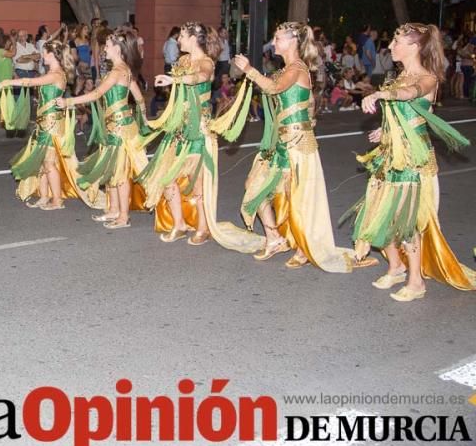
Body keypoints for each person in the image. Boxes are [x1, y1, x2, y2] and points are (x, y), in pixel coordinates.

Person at [346, 23, 475, 301]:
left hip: (414, 158)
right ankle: (396, 266)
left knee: (406, 219)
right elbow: (405, 116)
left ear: (415, 46)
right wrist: (385, 130)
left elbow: (411, 94)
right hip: (391, 153)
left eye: (396, 41)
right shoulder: (399, 75)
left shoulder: (427, 77)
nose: (391, 46)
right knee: (380, 211)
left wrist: (382, 94)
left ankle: (416, 282)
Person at [233, 22, 374, 271]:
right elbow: (301, 101)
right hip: (282, 142)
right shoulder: (287, 70)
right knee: (254, 187)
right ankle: (274, 237)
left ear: (292, 42)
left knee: (296, 197)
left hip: (297, 144)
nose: (273, 42)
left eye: (278, 38)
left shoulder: (297, 69)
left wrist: (249, 70)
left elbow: (275, 88)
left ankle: (302, 246)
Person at [135, 22, 260, 252]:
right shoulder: (182, 61)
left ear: (194, 38)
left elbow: (199, 78)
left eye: (182, 35)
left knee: (198, 185)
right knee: (166, 177)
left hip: (198, 131)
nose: (178, 40)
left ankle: (202, 227)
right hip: (179, 128)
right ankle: (179, 223)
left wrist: (175, 80)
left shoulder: (206, 63)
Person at [0, 33, 104, 211]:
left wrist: (6, 82)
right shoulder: (53, 73)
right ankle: (44, 196)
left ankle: (57, 200)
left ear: (52, 55)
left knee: (49, 163)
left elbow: (30, 82)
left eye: (45, 53)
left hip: (52, 125)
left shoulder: (56, 75)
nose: (42, 56)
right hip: (44, 123)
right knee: (43, 161)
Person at [57, 28, 147, 229]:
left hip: (119, 127)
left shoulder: (117, 71)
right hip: (118, 125)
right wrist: (142, 118)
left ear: (117, 48)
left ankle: (123, 216)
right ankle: (113, 209)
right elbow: (139, 98)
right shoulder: (124, 69)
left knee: (120, 171)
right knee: (111, 168)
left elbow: (96, 94)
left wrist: (68, 101)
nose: (104, 49)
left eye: (107, 45)